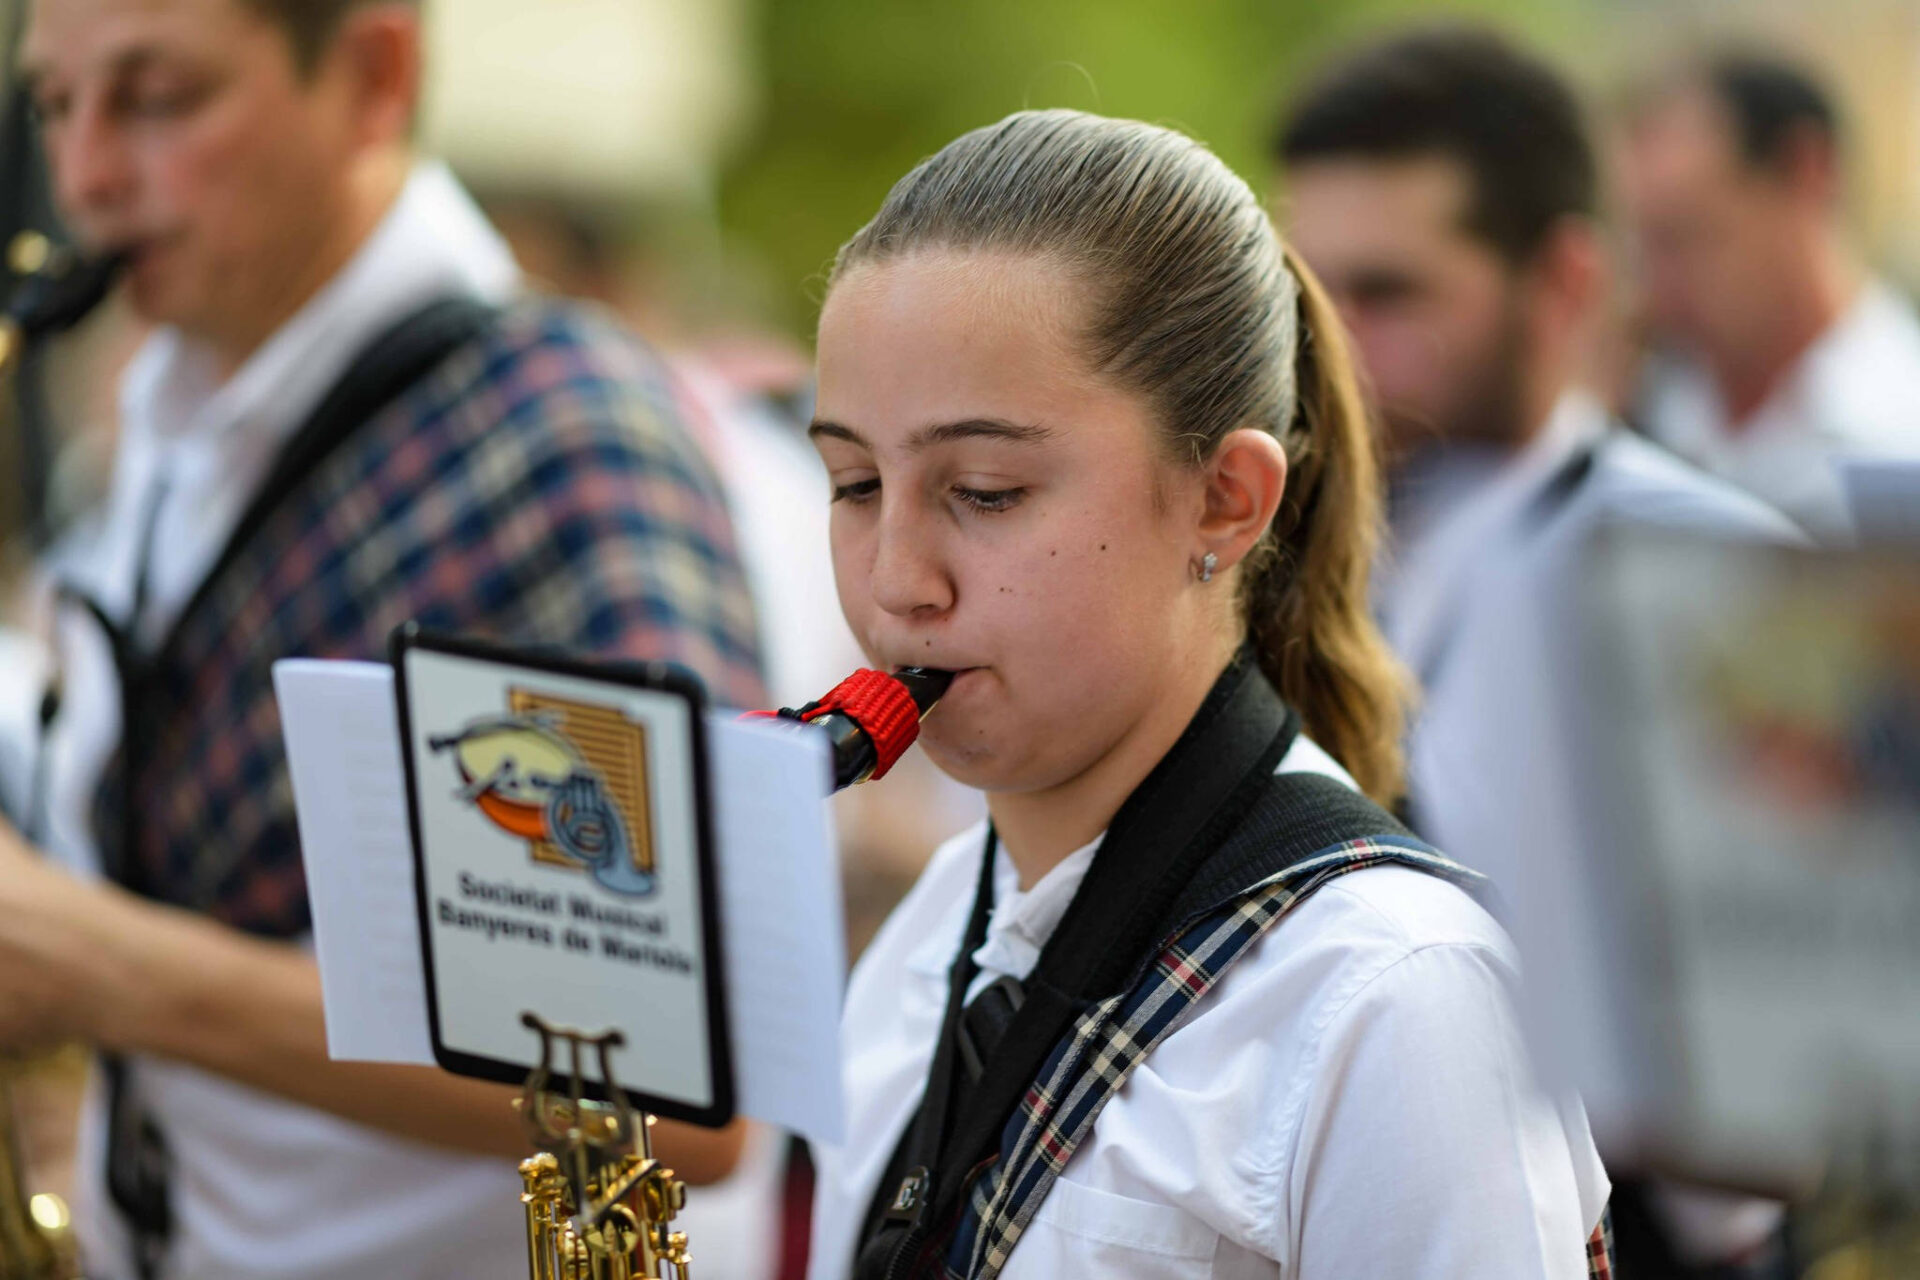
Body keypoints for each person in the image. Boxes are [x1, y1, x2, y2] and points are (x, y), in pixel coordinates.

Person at [0, 1, 762, 1277]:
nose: (82, 179)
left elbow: (674, 1093)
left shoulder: (558, 442)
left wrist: (101, 966)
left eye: (158, 98)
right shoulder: (188, 407)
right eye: (53, 105)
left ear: (373, 73)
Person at [802, 106, 1611, 1280]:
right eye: (854, 483)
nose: (894, 581)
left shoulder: (1397, 997)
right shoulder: (930, 931)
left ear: (1226, 499)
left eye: (984, 489)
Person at [1274, 26, 1801, 1280]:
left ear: (1564, 285)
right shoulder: (1250, 558)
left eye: (1389, 294)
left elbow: (1770, 1144)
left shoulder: (1719, 575)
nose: (1327, 349)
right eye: (1305, 293)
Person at [1615, 50, 1920, 543]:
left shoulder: (1900, 437)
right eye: (1644, 247)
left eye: (1689, 238)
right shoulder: (1640, 409)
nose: (1653, 292)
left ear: (1807, 174)